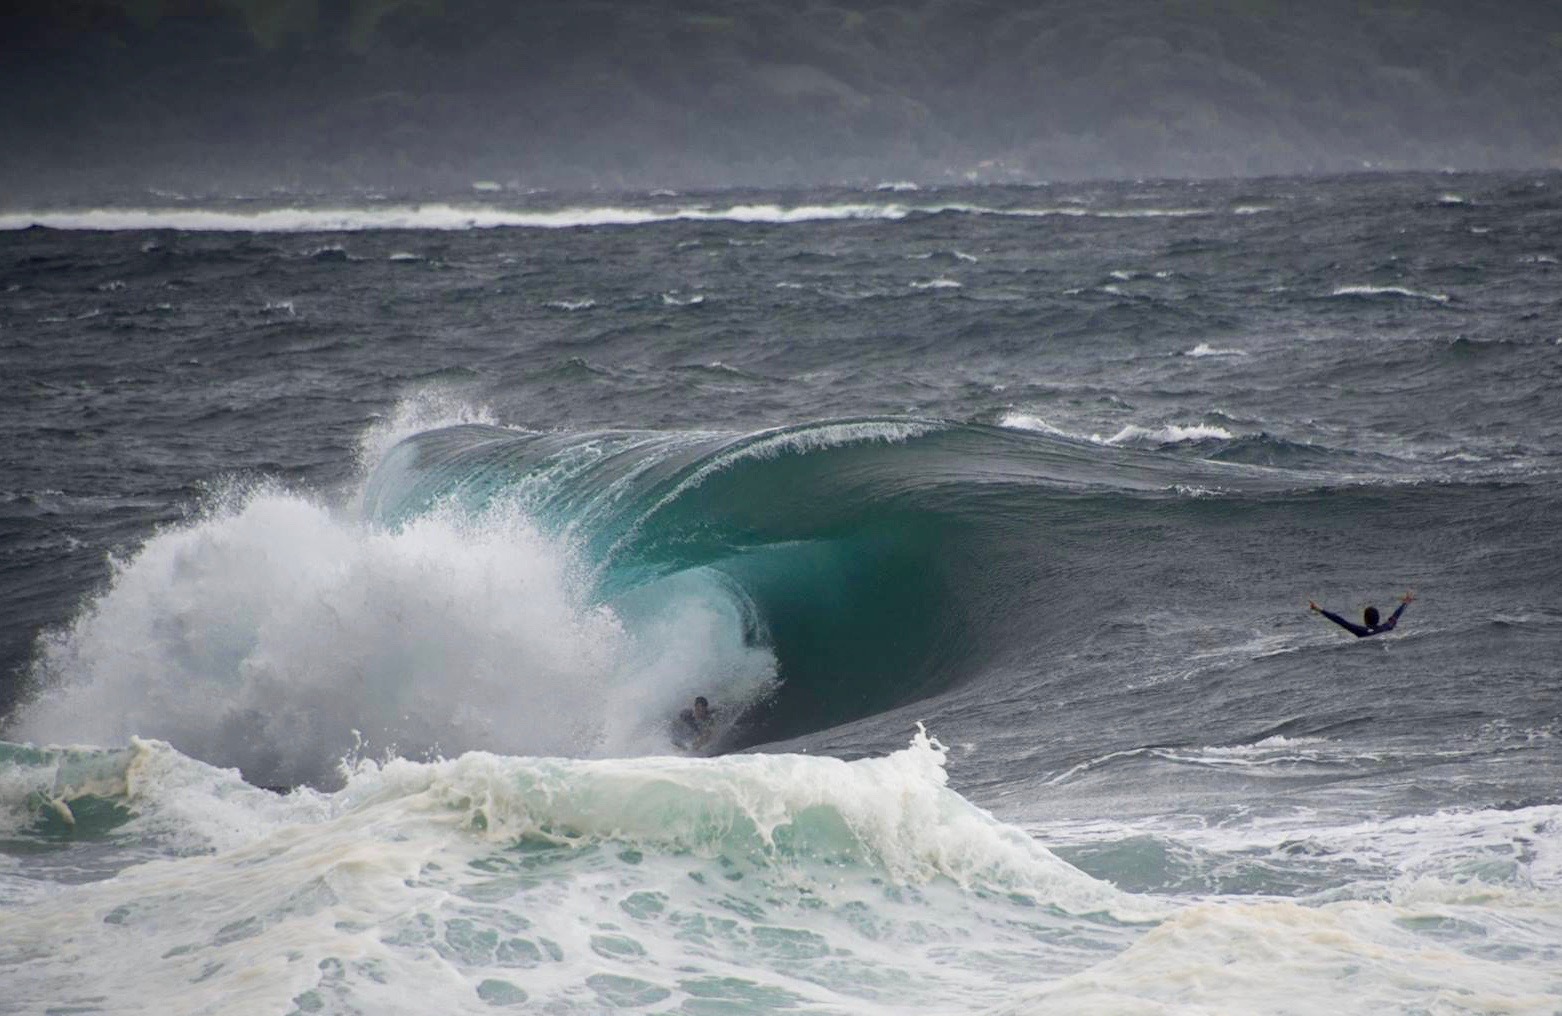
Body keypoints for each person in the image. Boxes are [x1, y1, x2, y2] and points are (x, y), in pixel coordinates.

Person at [1309, 591, 1415, 638]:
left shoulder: (1361, 631)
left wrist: (1319, 609)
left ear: (1365, 619)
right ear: (1378, 618)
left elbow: (1340, 620)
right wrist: (1406, 602)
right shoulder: (1386, 627)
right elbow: (1396, 616)